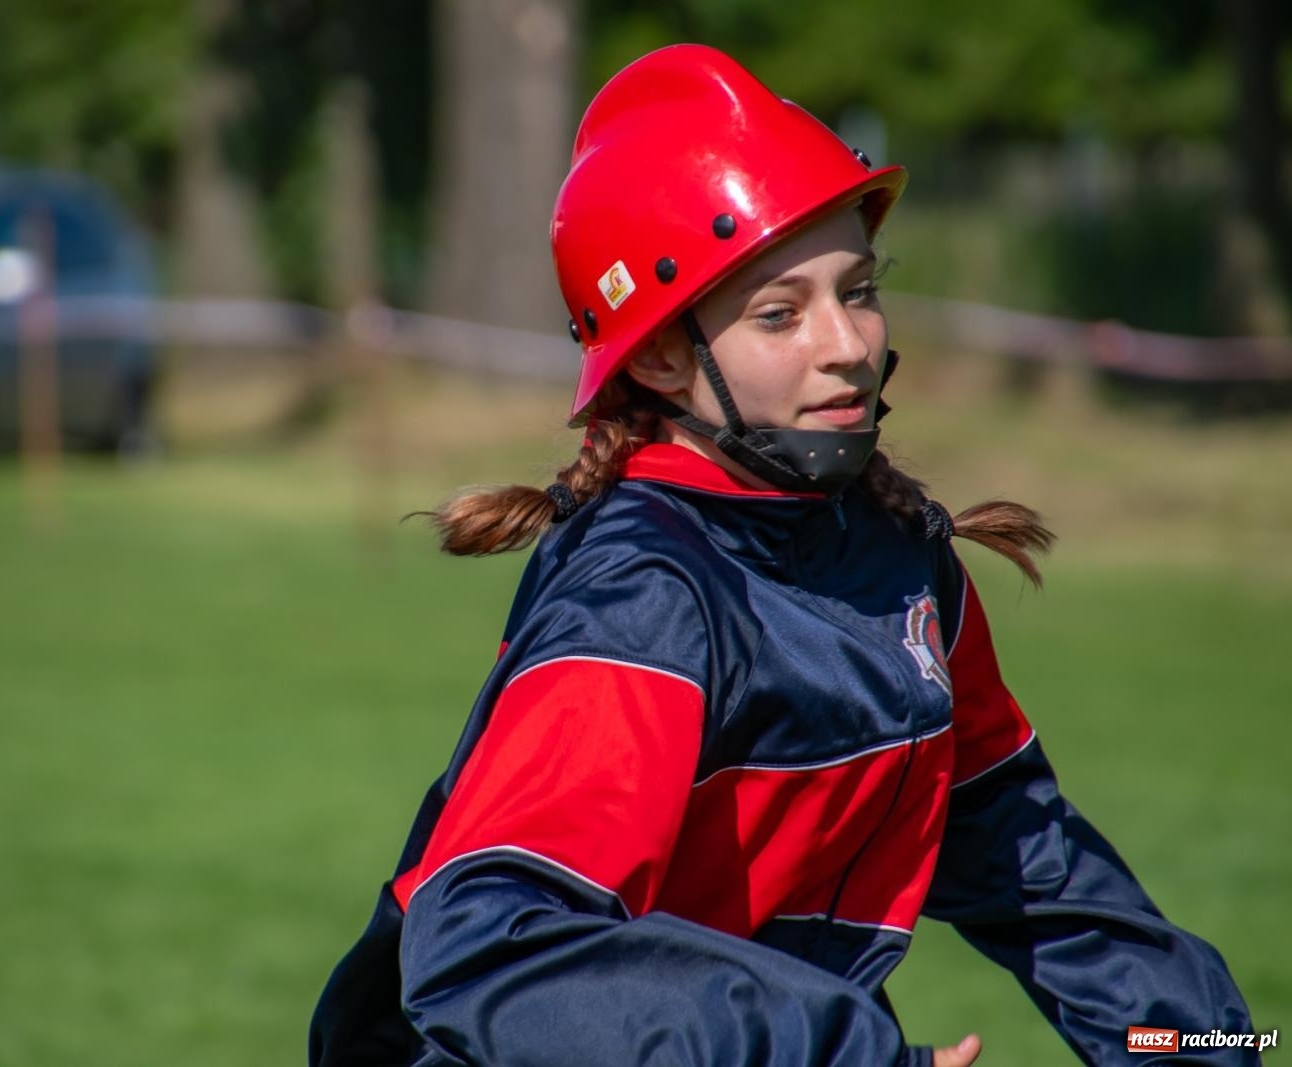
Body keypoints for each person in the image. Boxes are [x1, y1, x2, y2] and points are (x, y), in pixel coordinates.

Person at [309, 44, 1257, 1067]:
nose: (845, 342)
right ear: (665, 356)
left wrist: (1202, 1044)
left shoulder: (901, 561)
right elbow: (490, 947)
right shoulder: (644, 593)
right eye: (779, 312)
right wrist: (841, 1050)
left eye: (857, 289)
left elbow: (1044, 877)